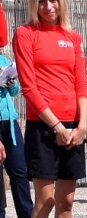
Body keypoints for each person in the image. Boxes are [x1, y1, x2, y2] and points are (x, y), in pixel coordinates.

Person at [12, 0, 87, 218]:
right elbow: (28, 87)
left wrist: (82, 126)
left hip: (74, 128)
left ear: (61, 1)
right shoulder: (25, 34)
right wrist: (57, 127)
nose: (48, 7)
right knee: (45, 203)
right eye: (42, 1)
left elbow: (81, 85)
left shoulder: (73, 38)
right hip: (43, 127)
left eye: (53, 0)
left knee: (66, 203)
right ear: (34, 3)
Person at [0, 55, 33, 218]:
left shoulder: (4, 60)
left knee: (19, 170)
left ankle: (27, 214)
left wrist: (11, 81)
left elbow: (15, 91)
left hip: (10, 121)